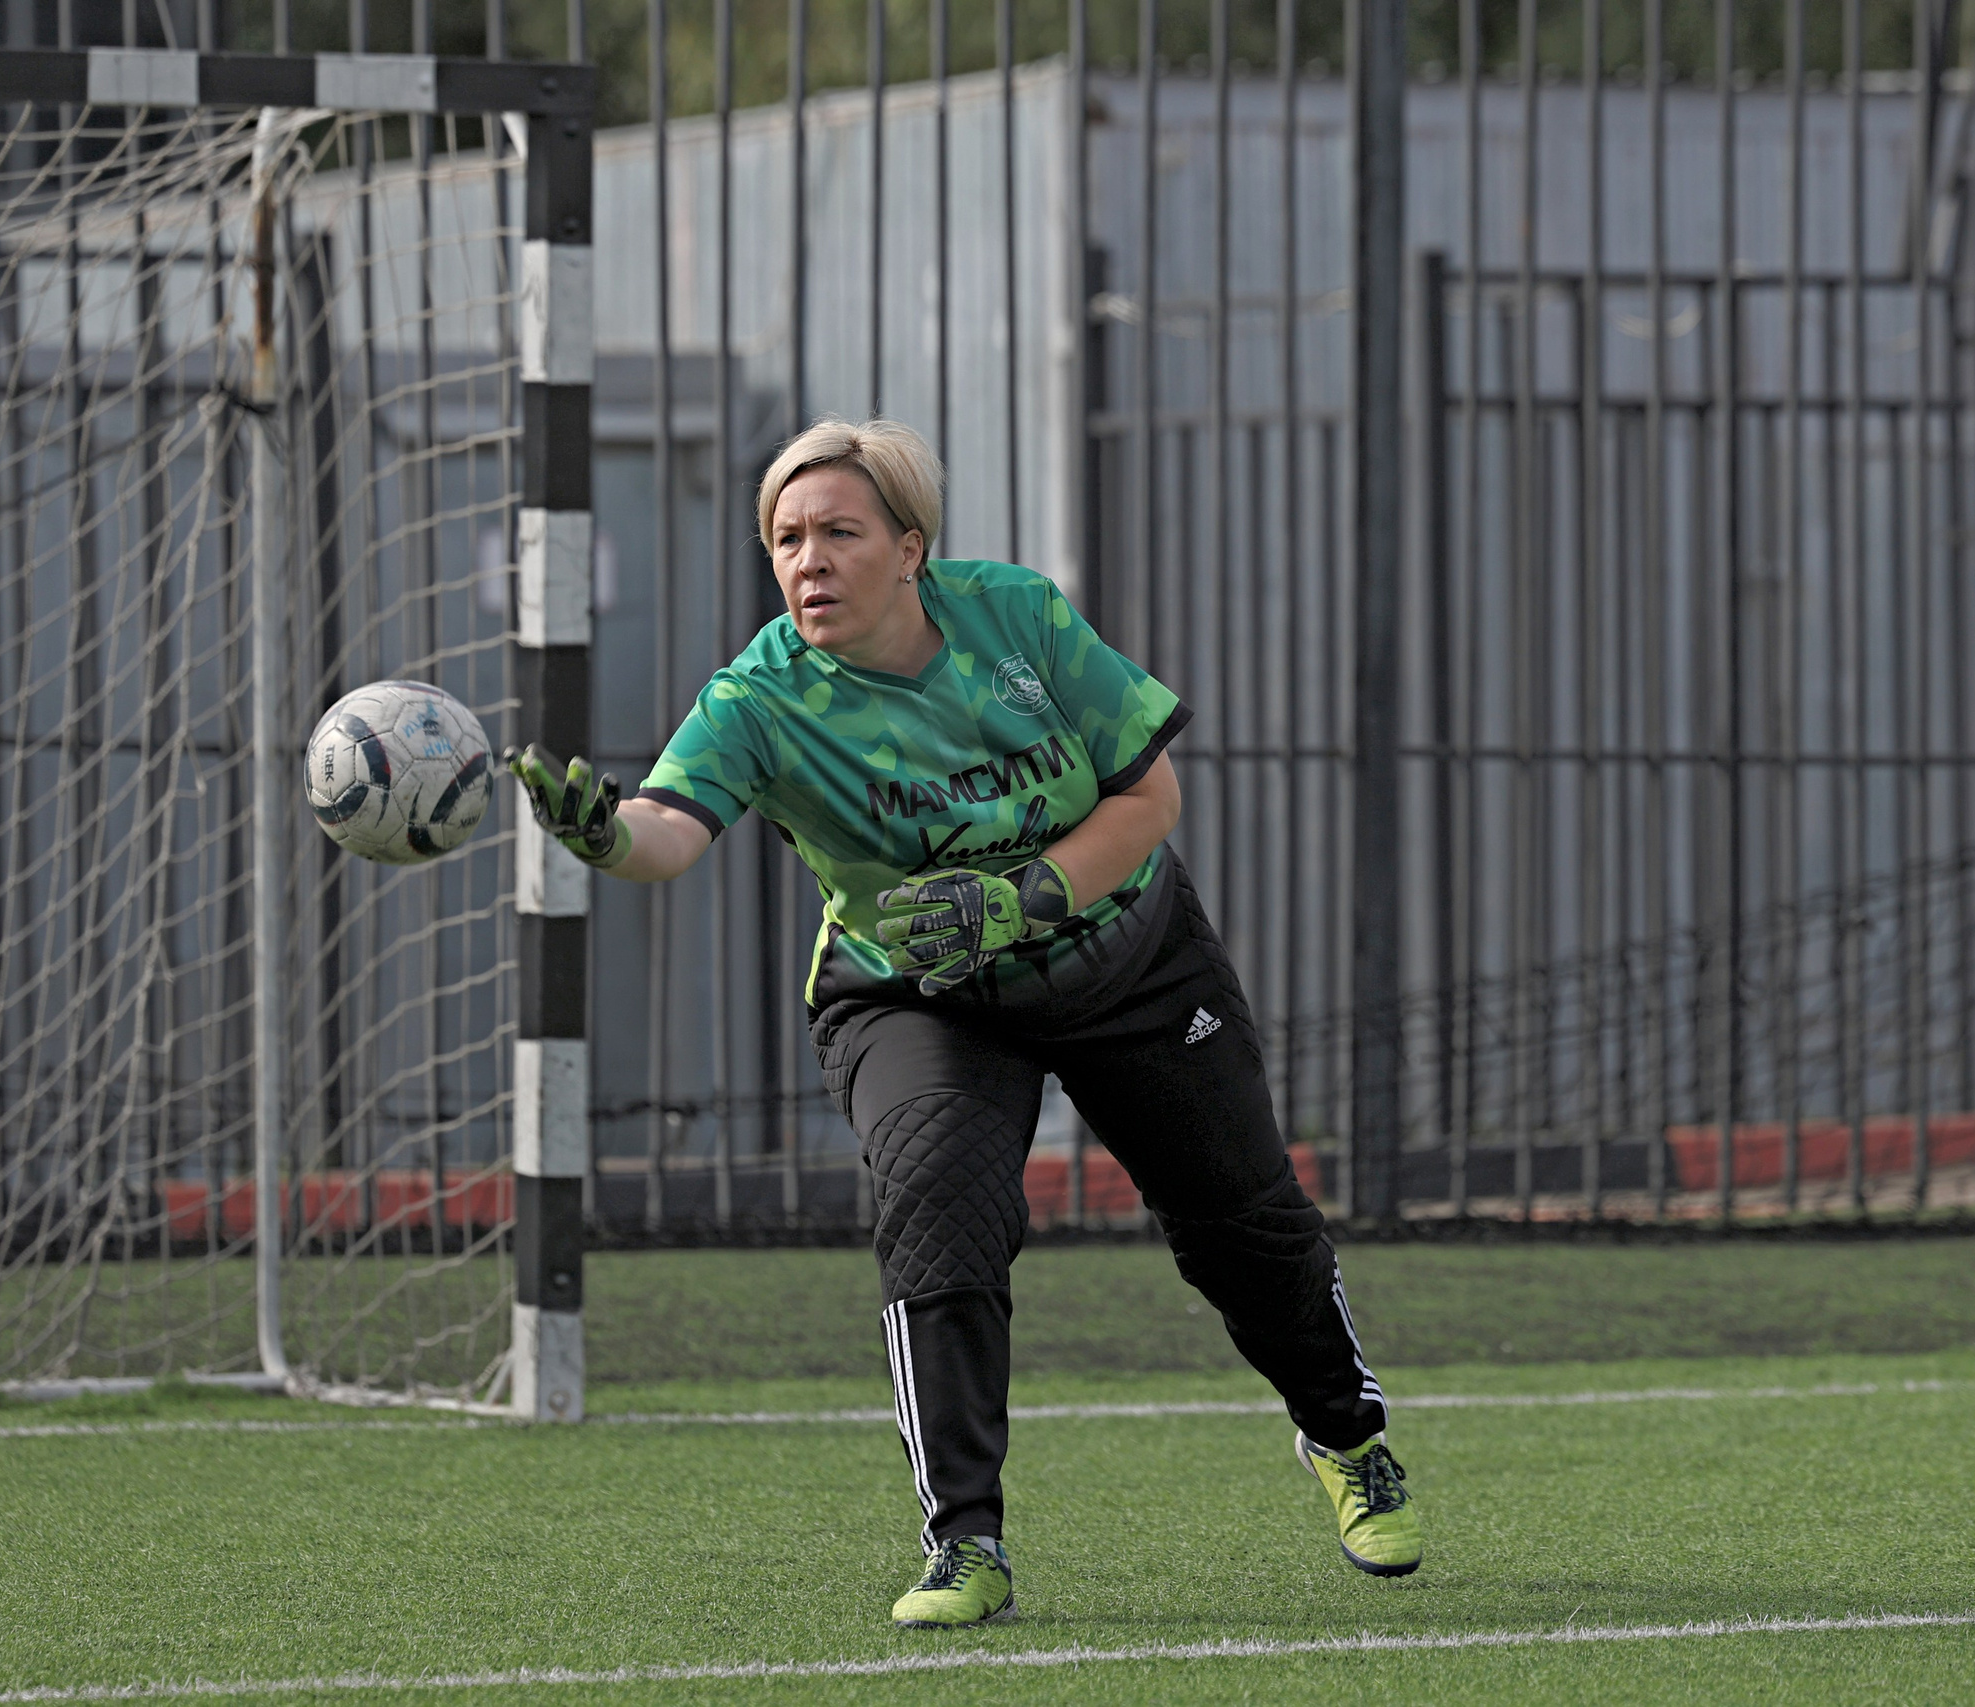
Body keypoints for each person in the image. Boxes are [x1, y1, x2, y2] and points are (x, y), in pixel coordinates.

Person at [510, 417, 1421, 1628]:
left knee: (1240, 1218)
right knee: (936, 1200)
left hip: (1129, 957)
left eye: (840, 531)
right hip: (919, 994)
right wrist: (604, 835)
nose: (808, 560)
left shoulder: (1018, 621)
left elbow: (1149, 798)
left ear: (910, 547)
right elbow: (669, 833)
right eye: (785, 538)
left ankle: (1347, 1441)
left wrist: (1025, 893)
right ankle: (966, 1546)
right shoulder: (761, 696)